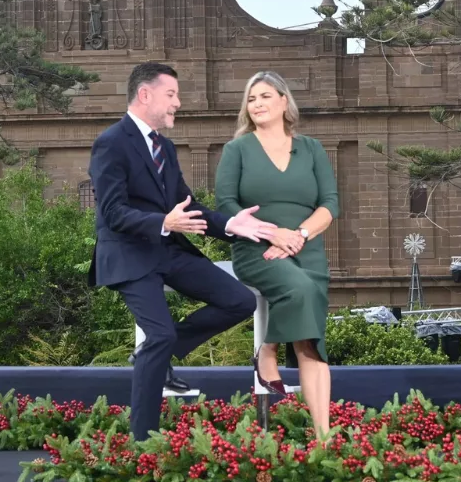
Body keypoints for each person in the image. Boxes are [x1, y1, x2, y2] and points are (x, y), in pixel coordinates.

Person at [88, 62, 278, 440]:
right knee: (158, 337)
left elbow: (188, 208)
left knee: (240, 301)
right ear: (145, 95)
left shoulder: (165, 147)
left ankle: (159, 354)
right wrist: (163, 222)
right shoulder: (111, 142)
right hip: (130, 254)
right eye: (171, 94)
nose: (178, 103)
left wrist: (231, 225)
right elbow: (112, 213)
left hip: (169, 251)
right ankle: (142, 442)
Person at [214, 71, 339, 440]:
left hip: (307, 249)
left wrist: (297, 237)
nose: (257, 104)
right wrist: (273, 234)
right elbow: (226, 205)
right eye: (251, 99)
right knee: (300, 290)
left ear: (285, 101)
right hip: (258, 249)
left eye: (265, 96)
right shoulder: (237, 150)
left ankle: (323, 440)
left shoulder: (312, 149)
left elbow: (330, 204)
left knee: (310, 343)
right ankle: (267, 350)